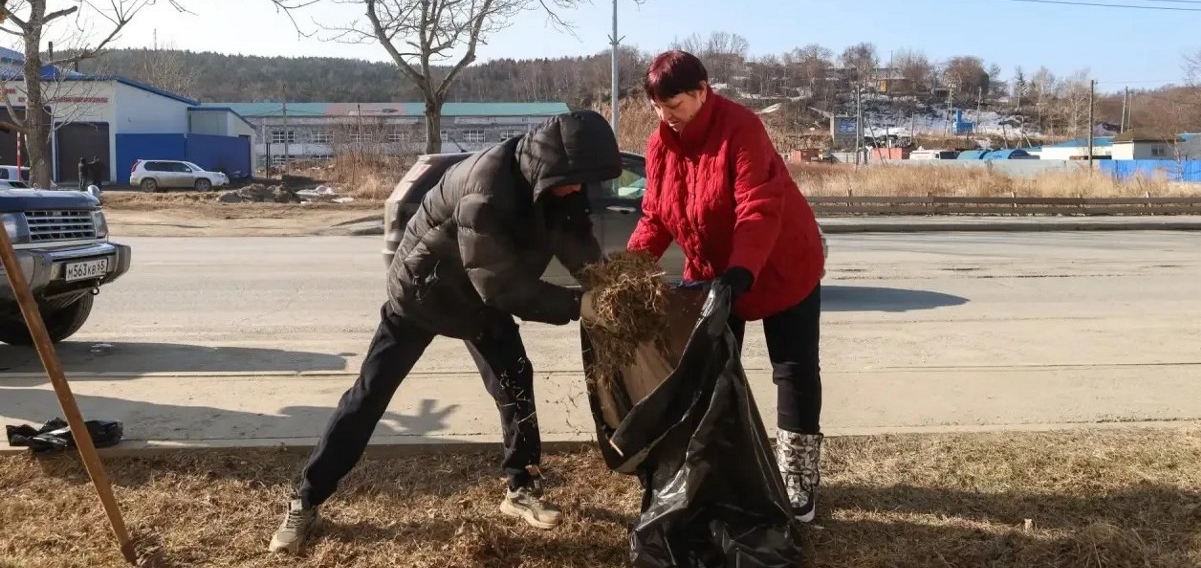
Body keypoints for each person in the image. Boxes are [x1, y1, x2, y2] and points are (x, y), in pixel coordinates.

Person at [269, 110, 621, 554]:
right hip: (424, 294)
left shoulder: (555, 182)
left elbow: (575, 237)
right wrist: (577, 305)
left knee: (515, 381)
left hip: (479, 301)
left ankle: (521, 487)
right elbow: (500, 284)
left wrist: (604, 283)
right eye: (576, 181)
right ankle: (306, 501)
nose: (578, 190)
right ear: (556, 165)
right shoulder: (487, 188)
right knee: (370, 394)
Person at [626, 50, 827, 523]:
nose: (665, 116)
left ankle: (798, 475)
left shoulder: (741, 129)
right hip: (712, 271)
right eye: (657, 107)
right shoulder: (660, 146)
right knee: (707, 371)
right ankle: (717, 465)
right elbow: (656, 216)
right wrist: (629, 267)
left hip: (779, 263)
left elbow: (757, 206)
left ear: (702, 91)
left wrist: (741, 271)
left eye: (674, 104)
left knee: (793, 369)